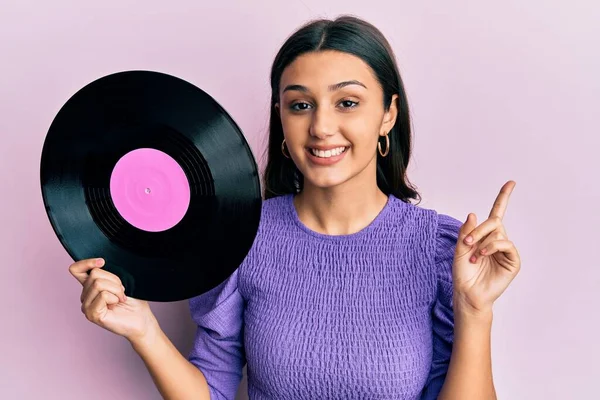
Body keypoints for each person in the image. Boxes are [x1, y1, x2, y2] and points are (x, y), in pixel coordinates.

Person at [69, 15, 521, 400]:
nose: (322, 126)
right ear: (281, 117)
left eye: (348, 102)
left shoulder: (441, 249)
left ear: (388, 114)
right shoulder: (241, 237)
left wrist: (474, 309)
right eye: (301, 105)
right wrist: (143, 330)